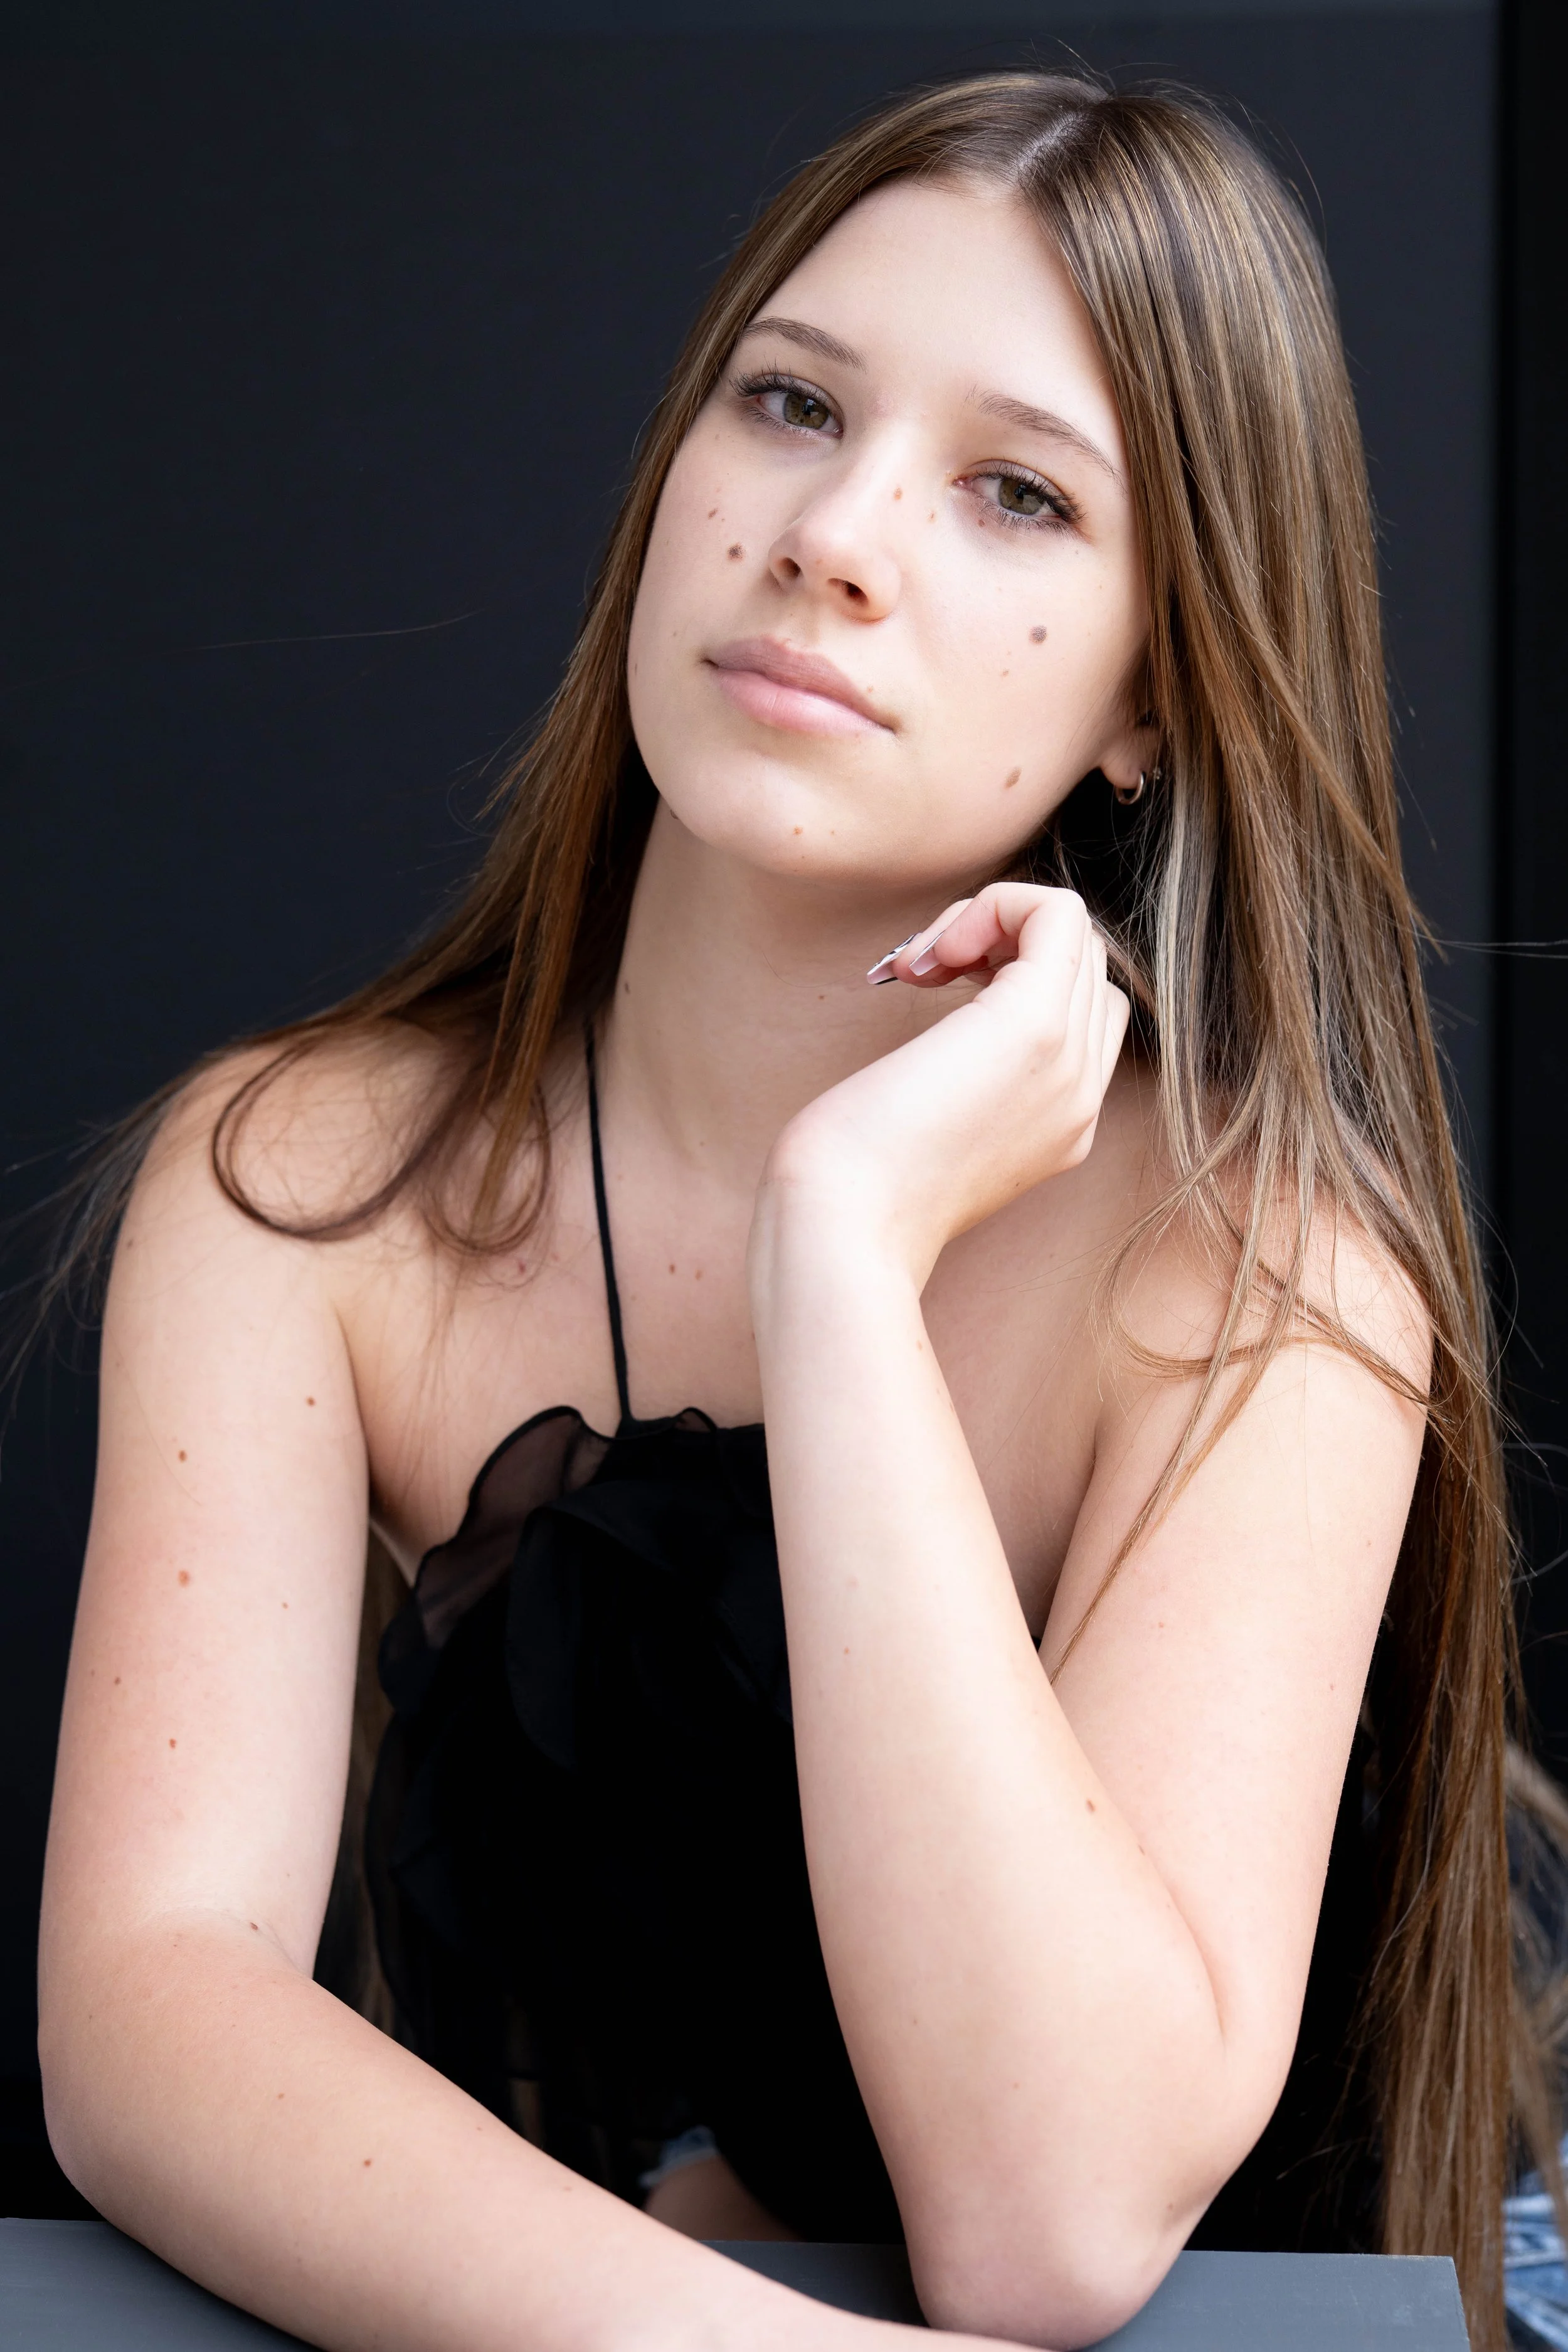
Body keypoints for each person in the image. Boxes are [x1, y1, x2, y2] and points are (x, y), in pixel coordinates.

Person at [33, 68, 1528, 2352]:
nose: (834, 531)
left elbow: (1048, 2229)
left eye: (1018, 492)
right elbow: (148, 2010)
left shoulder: (1257, 1289)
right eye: (788, 403)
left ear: (1155, 691)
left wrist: (842, 1252)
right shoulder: (302, 1195)